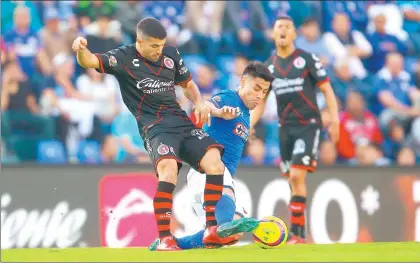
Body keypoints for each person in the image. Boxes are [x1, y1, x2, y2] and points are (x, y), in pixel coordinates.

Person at [72, 17, 230, 251]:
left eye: (162, 45)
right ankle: (166, 238)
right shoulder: (122, 57)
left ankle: (211, 230)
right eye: (154, 46)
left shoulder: (171, 54)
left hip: (180, 122)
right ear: (140, 42)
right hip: (154, 127)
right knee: (168, 170)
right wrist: (80, 49)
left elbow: (188, 85)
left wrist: (198, 102)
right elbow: (90, 61)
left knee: (214, 163)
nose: (159, 51)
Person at [148, 61, 274, 251]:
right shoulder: (228, 98)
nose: (259, 95)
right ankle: (222, 225)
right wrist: (219, 112)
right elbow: (204, 106)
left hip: (214, 180)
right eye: (256, 88)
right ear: (242, 81)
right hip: (208, 172)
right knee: (225, 222)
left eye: (263, 92)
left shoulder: (246, 114)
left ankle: (175, 243)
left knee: (231, 235)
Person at [251, 15, 340, 244]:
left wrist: (335, 121)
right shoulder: (268, 67)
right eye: (279, 27)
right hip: (285, 128)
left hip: (308, 125)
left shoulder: (306, 59)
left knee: (297, 174)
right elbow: (261, 101)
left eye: (287, 27)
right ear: (273, 33)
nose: (282, 30)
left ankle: (297, 234)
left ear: (294, 34)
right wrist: (248, 124)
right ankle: (298, 233)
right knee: (292, 180)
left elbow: (327, 89)